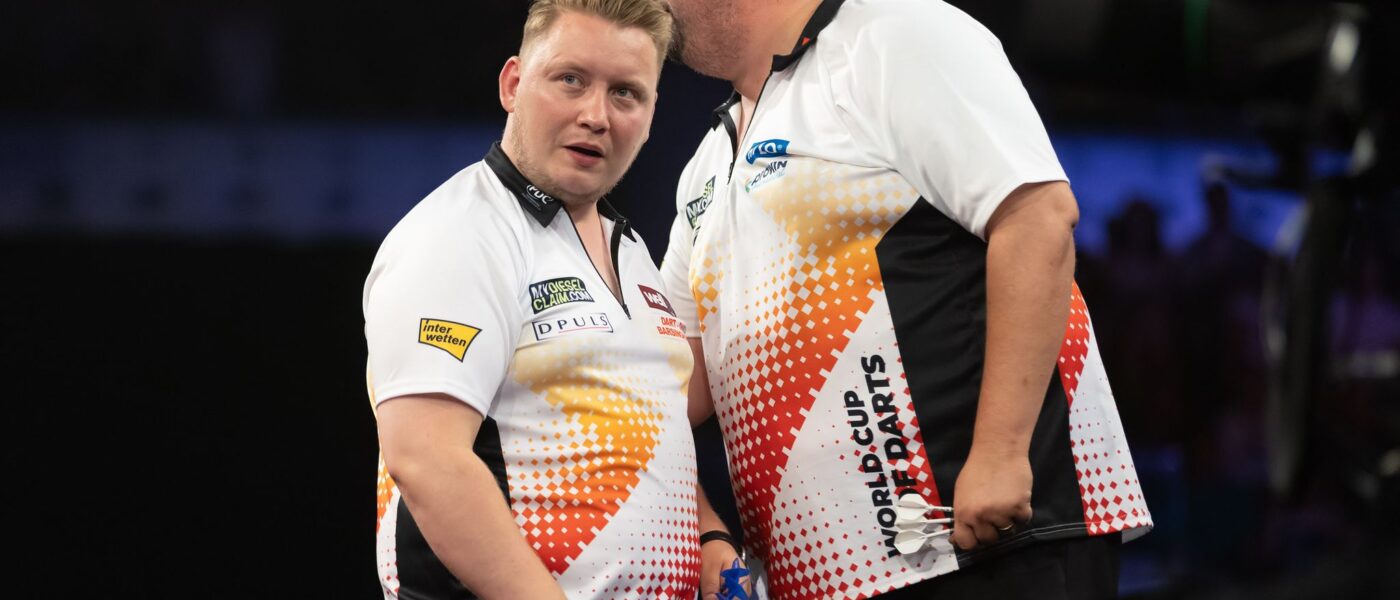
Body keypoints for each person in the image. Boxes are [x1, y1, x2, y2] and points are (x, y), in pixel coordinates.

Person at [659, 0, 1153, 598]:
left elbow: (1037, 218)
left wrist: (1000, 453)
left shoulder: (894, 32)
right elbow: (672, 385)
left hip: (982, 540)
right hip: (832, 575)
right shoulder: (707, 163)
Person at [362, 1, 700, 598]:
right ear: (513, 84)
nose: (596, 115)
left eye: (626, 93)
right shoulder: (460, 234)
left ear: (650, 117)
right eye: (570, 80)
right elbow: (425, 461)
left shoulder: (631, 250)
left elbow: (649, 449)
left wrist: (712, 539)